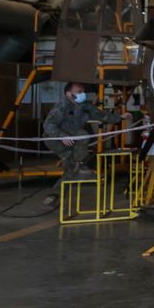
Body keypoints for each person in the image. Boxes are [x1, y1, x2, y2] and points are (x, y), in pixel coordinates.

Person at [40, 82, 116, 211]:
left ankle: (54, 195)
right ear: (68, 94)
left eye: (83, 91)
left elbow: (101, 115)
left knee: (71, 167)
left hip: (73, 140)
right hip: (55, 140)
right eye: (79, 91)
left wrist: (120, 117)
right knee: (81, 138)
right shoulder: (61, 107)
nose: (82, 94)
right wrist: (61, 136)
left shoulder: (85, 106)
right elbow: (48, 125)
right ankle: (78, 166)